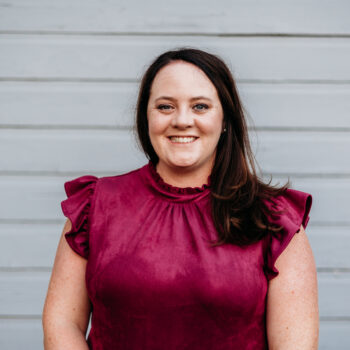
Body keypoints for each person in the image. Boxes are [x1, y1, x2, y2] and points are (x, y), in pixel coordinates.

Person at [42, 47, 319, 349]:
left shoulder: (275, 220)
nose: (182, 120)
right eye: (165, 107)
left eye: (200, 106)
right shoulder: (93, 207)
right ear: (145, 116)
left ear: (226, 119)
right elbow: (62, 323)